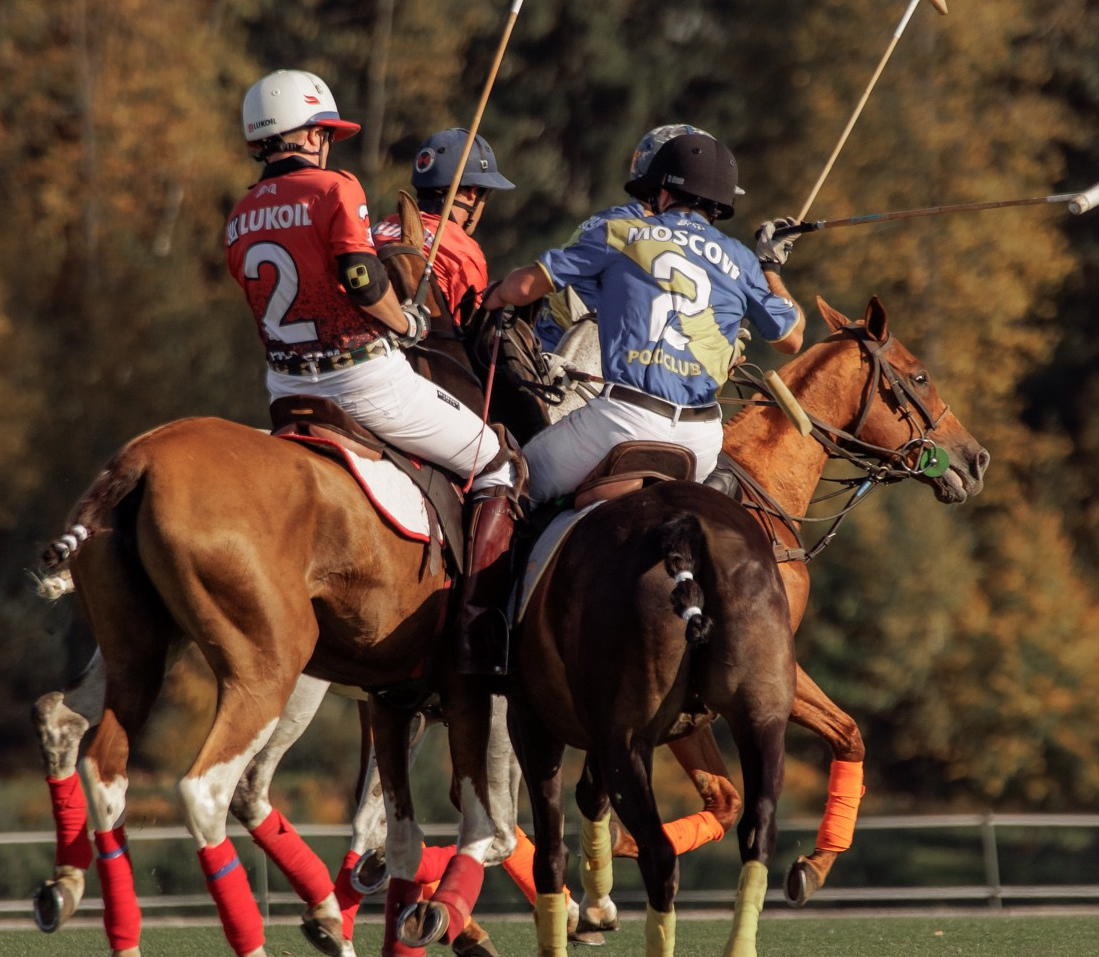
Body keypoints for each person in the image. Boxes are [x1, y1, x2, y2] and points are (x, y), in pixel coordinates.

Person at [223, 71, 519, 669]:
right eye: (325, 130)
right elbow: (361, 280)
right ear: (307, 133)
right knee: (498, 462)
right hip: (358, 378)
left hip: (284, 387)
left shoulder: (240, 213)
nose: (328, 142)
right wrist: (406, 324)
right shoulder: (335, 188)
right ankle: (476, 629)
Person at [485, 128, 805, 507]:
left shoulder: (621, 231)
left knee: (503, 478)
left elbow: (522, 289)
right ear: (719, 204)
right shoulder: (741, 258)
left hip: (624, 419)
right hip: (701, 437)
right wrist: (770, 267)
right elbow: (793, 338)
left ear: (662, 192)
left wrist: (490, 297)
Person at [371, 127, 512, 322]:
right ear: (473, 192)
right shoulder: (463, 253)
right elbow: (464, 332)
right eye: (486, 194)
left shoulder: (382, 226)